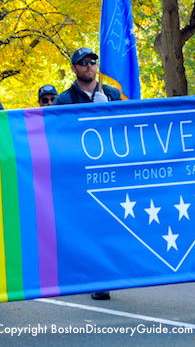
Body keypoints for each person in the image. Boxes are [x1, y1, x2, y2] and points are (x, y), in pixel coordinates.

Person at [54, 47, 119, 301]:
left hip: (109, 169)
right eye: (83, 63)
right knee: (90, 225)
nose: (89, 66)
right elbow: (58, 137)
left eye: (92, 62)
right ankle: (96, 277)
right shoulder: (64, 100)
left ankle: (105, 272)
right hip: (80, 172)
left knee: (109, 223)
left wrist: (108, 110)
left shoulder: (111, 95)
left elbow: (126, 127)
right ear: (74, 68)